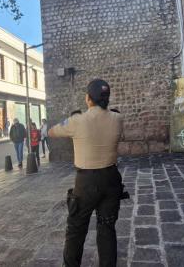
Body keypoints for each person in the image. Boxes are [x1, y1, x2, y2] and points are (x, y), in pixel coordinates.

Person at [49, 79, 124, 267]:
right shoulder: (118, 118)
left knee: (76, 229)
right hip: (111, 179)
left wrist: (73, 119)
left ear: (88, 99)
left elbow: (51, 132)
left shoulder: (77, 120)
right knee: (107, 227)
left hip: (86, 182)